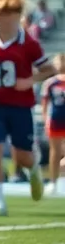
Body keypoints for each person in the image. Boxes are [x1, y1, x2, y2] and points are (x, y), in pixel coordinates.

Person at [0, 0, 54, 217]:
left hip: (19, 106)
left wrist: (30, 80)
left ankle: (34, 169)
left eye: (8, 14)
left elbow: (49, 69)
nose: (3, 20)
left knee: (22, 157)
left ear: (18, 16)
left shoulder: (29, 43)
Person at [42, 55, 65, 195]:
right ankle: (53, 182)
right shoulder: (51, 83)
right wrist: (46, 119)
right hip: (56, 120)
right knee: (55, 153)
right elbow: (45, 103)